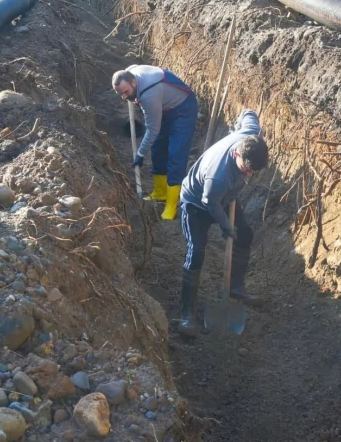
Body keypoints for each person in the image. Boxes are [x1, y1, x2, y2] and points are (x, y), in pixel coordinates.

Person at [177, 109, 269, 337]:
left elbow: (249, 113)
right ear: (237, 155)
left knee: (245, 234)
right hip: (198, 203)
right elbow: (211, 204)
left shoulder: (249, 134)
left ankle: (235, 288)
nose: (248, 176)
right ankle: (186, 312)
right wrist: (226, 226)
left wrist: (243, 116)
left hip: (225, 198)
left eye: (253, 172)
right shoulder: (219, 175)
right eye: (246, 170)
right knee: (196, 251)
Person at [112, 65, 198, 221]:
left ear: (134, 82)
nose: (124, 97)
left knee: (176, 154)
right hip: (165, 107)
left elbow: (152, 130)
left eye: (126, 92)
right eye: (119, 94)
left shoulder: (148, 95)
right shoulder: (130, 72)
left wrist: (140, 154)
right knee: (158, 148)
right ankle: (160, 192)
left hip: (183, 109)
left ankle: (172, 204)